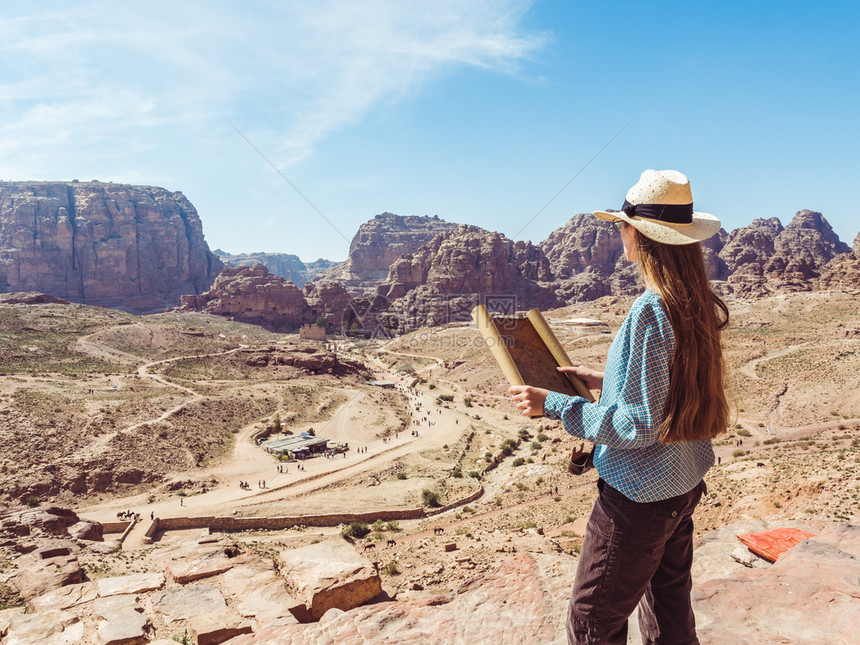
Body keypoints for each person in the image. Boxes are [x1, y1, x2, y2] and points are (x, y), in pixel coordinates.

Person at [509, 170, 729, 645]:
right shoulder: (692, 302)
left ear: (638, 234)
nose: (618, 233)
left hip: (638, 497)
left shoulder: (650, 309)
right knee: (669, 605)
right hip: (683, 483)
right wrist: (609, 382)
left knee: (593, 620)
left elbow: (639, 425)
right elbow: (673, 387)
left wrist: (554, 405)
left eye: (621, 225)